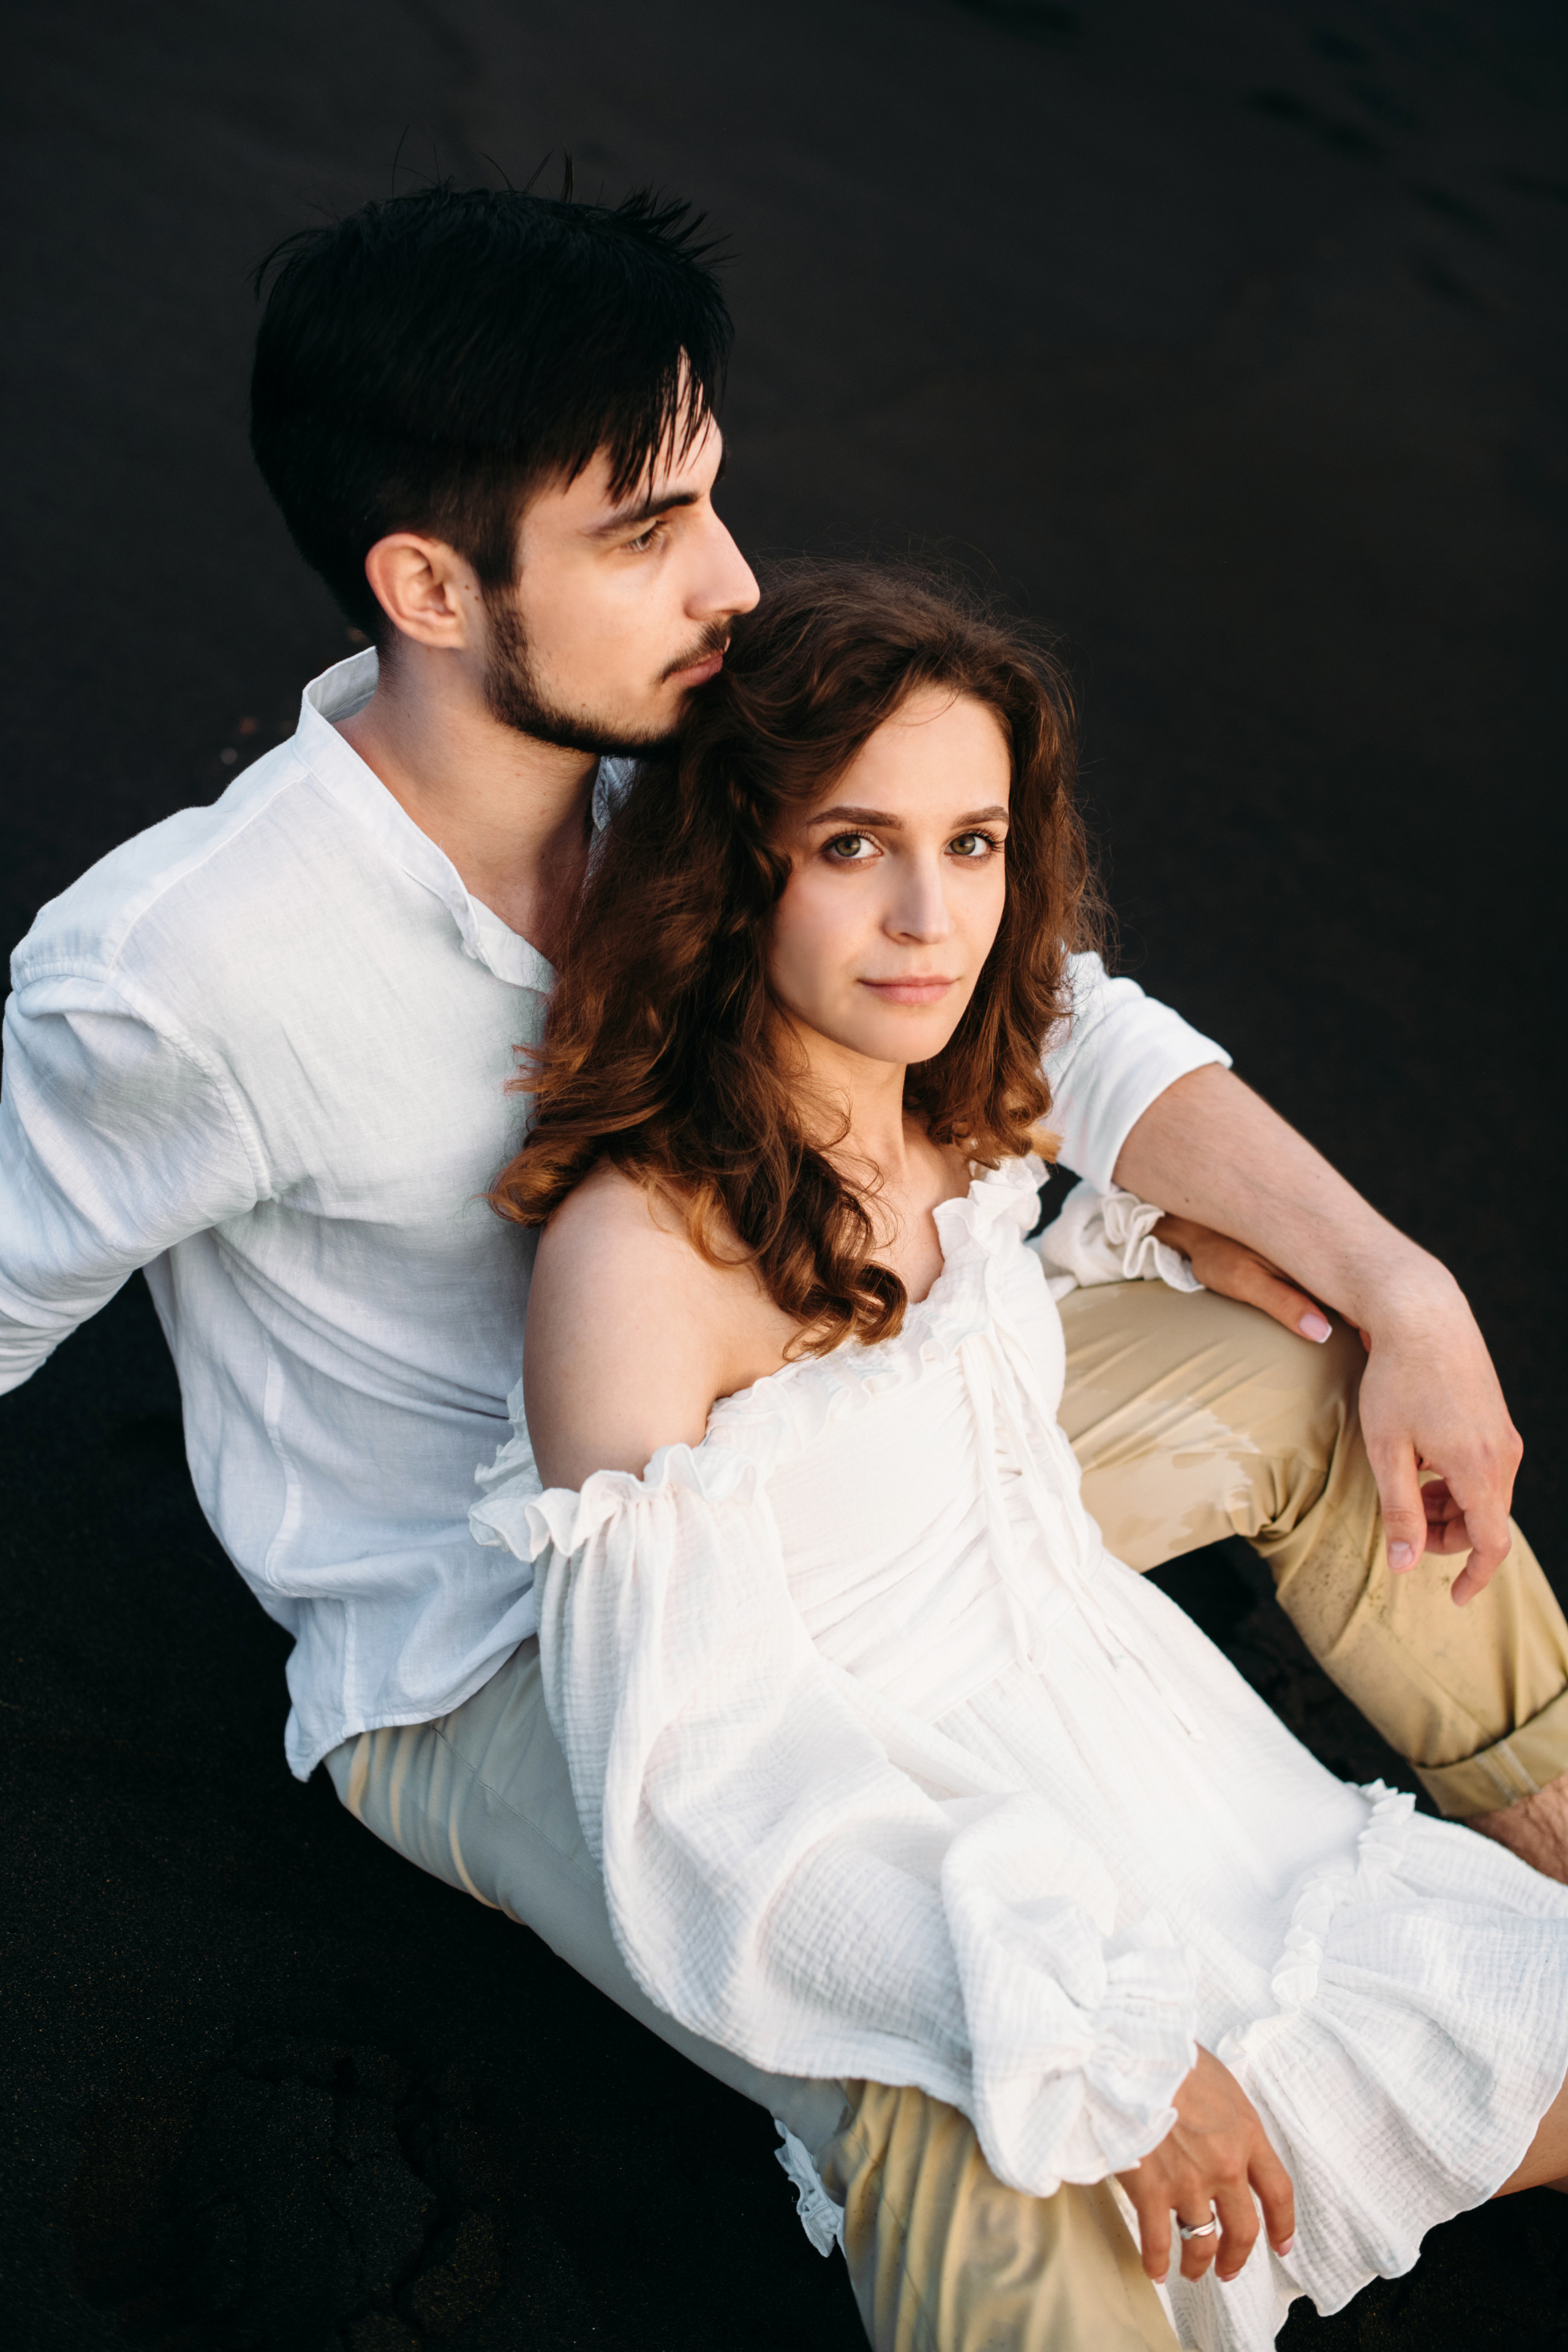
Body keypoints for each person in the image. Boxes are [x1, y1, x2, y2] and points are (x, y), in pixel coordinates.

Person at [0, 181, 1561, 2348]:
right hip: (518, 1649)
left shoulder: (678, 747)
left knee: (1295, 1369)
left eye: (714, 497)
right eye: (647, 530)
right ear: (430, 585)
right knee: (963, 2072)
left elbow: (1046, 1012)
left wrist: (1403, 1286)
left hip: (850, 1440)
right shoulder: (187, 971)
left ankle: (1545, 1821)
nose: (731, 579)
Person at [473, 560, 1568, 2352]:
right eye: (854, 846)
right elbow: (698, 1785)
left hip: (1201, 1788)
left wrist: (1213, 1241)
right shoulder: (640, 1264)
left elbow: (1055, 1156)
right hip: (985, 1880)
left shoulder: (946, 1115)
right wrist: (1099, 2033)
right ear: (738, 864)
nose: (932, 916)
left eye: (972, 844)